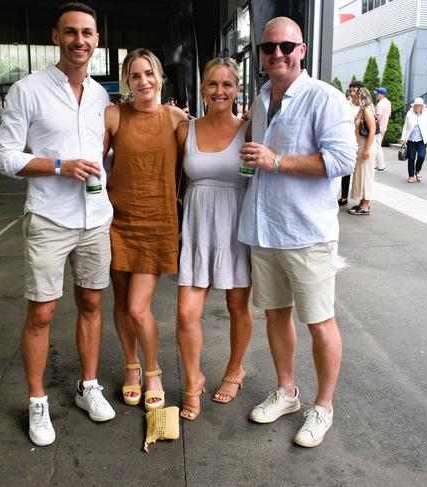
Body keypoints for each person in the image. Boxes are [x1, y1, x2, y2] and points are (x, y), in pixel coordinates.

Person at [0, 2, 116, 448]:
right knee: (42, 311)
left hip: (96, 218)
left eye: (87, 32)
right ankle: (37, 400)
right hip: (49, 217)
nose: (79, 40)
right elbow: (3, 156)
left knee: (91, 303)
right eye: (71, 32)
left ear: (97, 39)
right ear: (55, 36)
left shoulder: (102, 95)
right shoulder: (28, 90)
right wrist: (58, 166)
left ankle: (87, 385)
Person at [238, 17, 357, 448]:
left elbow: (343, 160)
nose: (278, 54)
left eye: (286, 46)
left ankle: (322, 407)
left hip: (307, 232)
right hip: (265, 229)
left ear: (302, 50)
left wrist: (277, 161)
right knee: (275, 315)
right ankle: (286, 392)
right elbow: (255, 158)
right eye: (269, 48)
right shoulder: (260, 99)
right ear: (261, 55)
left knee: (320, 322)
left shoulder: (324, 98)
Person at [103, 48, 187, 411]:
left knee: (138, 307)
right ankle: (131, 366)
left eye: (149, 73)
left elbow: (204, 153)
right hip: (117, 221)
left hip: (157, 223)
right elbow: (90, 158)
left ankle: (153, 370)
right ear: (127, 81)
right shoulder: (114, 116)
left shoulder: (175, 118)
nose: (143, 81)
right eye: (135, 76)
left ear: (160, 77)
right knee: (121, 303)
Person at [175, 57, 253, 421]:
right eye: (212, 84)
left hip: (236, 227)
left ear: (237, 89)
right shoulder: (184, 130)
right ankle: (193, 381)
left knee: (238, 307)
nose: (220, 91)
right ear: (203, 88)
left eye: (227, 84)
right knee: (186, 314)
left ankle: (235, 369)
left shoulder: (249, 129)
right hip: (196, 228)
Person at [348, 86, 377, 216]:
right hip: (362, 147)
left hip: (367, 147)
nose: (352, 96)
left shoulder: (366, 111)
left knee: (367, 176)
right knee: (362, 175)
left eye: (354, 95)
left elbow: (373, 130)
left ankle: (365, 205)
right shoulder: (362, 110)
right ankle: (363, 203)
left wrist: (366, 149)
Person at [339, 80, 364, 206]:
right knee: (345, 171)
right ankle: (344, 197)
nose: (352, 93)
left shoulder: (364, 107)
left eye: (354, 91)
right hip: (348, 142)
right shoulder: (347, 104)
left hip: (360, 143)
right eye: (351, 90)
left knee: (360, 172)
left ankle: (362, 200)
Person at [400, 97, 427, 183]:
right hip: (411, 140)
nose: (418, 107)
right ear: (414, 106)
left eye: (420, 106)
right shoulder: (409, 113)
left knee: (422, 156)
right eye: (416, 106)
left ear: (422, 106)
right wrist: (403, 138)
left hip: (422, 140)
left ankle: (417, 170)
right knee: (411, 157)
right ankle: (411, 175)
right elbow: (405, 126)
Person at [373, 87, 391, 172]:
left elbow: (378, 117)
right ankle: (378, 165)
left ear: (381, 94)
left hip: (378, 128)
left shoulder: (380, 104)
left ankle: (381, 166)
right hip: (384, 127)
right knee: (378, 145)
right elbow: (389, 114)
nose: (376, 95)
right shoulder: (388, 102)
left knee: (377, 146)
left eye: (377, 94)